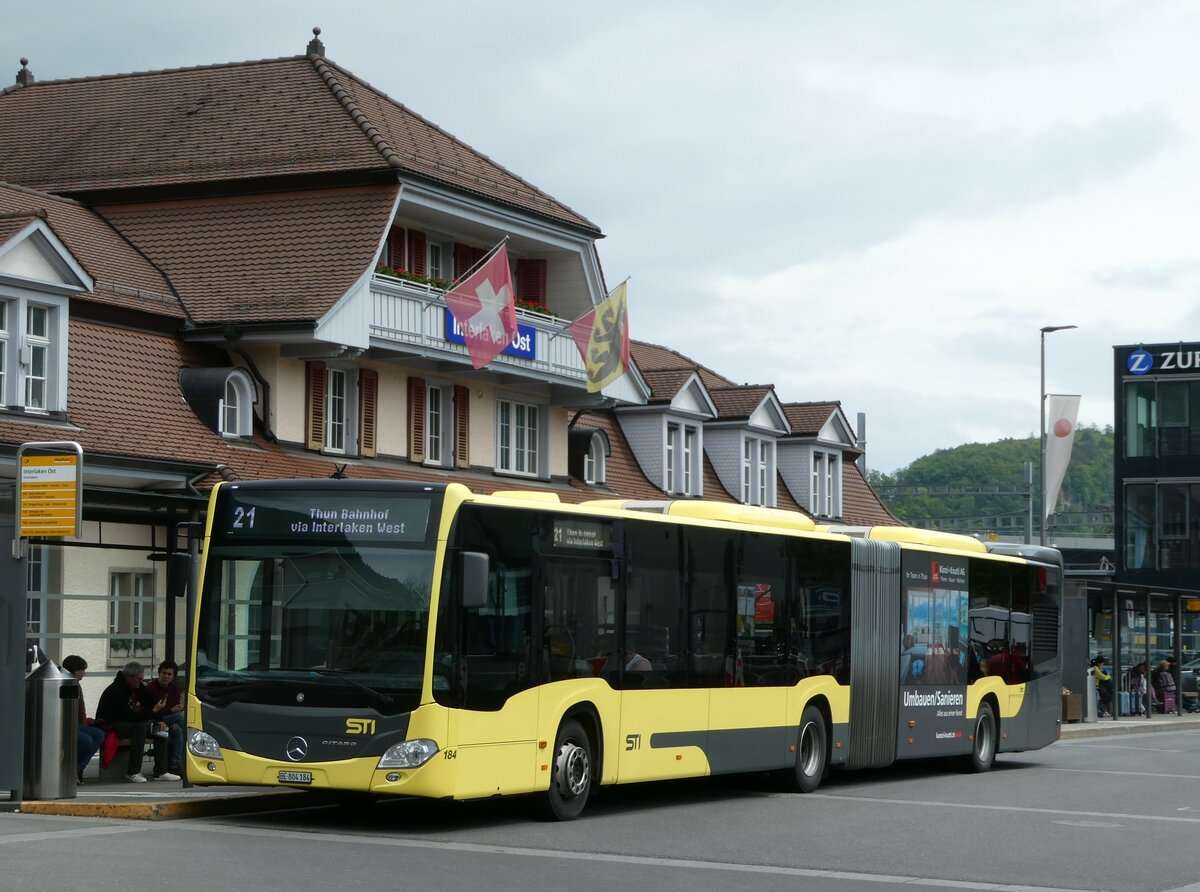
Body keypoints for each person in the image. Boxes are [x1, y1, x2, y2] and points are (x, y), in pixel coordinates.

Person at [95, 661, 178, 782]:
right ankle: (133, 772)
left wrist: (160, 720)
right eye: (139, 679)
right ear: (129, 677)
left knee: (159, 728)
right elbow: (130, 716)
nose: (141, 681)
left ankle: (160, 771)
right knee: (140, 727)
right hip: (112, 723)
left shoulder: (136, 686)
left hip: (129, 721)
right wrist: (153, 712)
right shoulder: (116, 691)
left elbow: (154, 701)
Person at [62, 655, 106, 784]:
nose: (84, 673)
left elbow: (81, 709)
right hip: (62, 725)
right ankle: (70, 770)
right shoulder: (65, 684)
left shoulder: (77, 685)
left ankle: (77, 769)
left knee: (98, 734)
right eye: (83, 670)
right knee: (86, 740)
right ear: (75, 670)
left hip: (74, 724)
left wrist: (83, 725)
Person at [146, 660, 185, 776]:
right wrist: (171, 712)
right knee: (181, 717)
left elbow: (175, 706)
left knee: (178, 731)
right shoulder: (150, 688)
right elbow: (151, 712)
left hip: (169, 721)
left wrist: (175, 720)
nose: (166, 676)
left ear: (173, 676)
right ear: (159, 673)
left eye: (169, 674)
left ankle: (175, 766)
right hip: (153, 721)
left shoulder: (174, 689)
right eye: (164, 673)